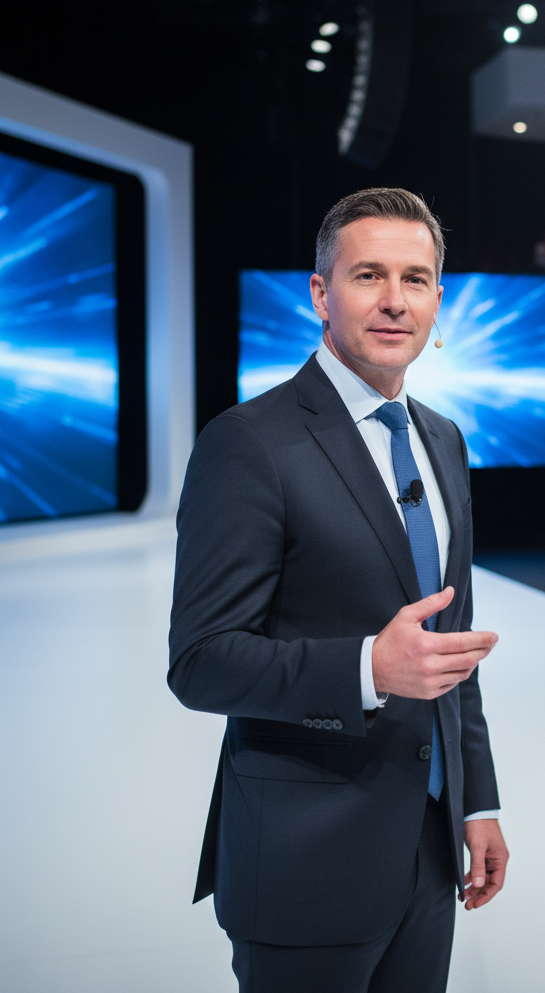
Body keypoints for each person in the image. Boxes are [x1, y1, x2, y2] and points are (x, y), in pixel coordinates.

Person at [168, 188, 507, 992]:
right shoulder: (249, 443)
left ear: (437, 301)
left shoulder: (444, 439)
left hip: (427, 855)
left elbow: (450, 648)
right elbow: (202, 662)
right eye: (369, 275)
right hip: (303, 859)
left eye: (416, 279)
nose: (395, 301)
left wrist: (477, 803)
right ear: (321, 294)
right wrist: (366, 669)